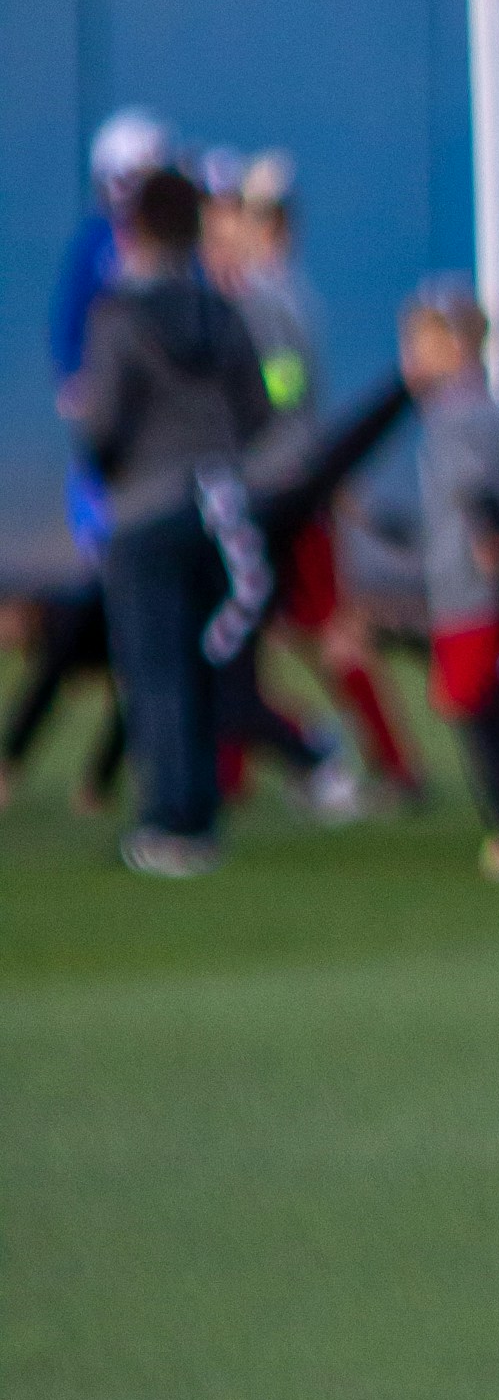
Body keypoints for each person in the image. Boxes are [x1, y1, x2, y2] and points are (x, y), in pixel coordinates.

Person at [62, 160, 273, 875]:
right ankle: (201, 811)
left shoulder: (117, 316)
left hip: (145, 505)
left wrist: (110, 463)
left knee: (152, 670)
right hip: (218, 502)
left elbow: (102, 421)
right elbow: (259, 405)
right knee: (200, 660)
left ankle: (168, 821)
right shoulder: (221, 311)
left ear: (135, 227)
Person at [215, 153, 424, 806]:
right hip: (281, 484)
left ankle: (388, 763)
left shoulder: (267, 296)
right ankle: (235, 771)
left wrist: (241, 408)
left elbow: (285, 385)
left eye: (237, 217)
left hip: (280, 489)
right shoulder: (278, 292)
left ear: (265, 226)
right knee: (246, 633)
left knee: (317, 630)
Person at [1, 110, 167, 818]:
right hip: (120, 475)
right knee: (107, 618)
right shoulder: (100, 249)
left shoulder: (173, 261)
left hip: (165, 474)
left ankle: (101, 776)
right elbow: (74, 351)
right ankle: (31, 762)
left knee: (147, 629)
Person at [389, 283, 499, 882]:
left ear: (457, 347)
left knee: (470, 705)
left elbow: (475, 494)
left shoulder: (452, 418)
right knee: (487, 702)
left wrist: (492, 539)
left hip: (468, 590)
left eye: (422, 343)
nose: (411, 356)